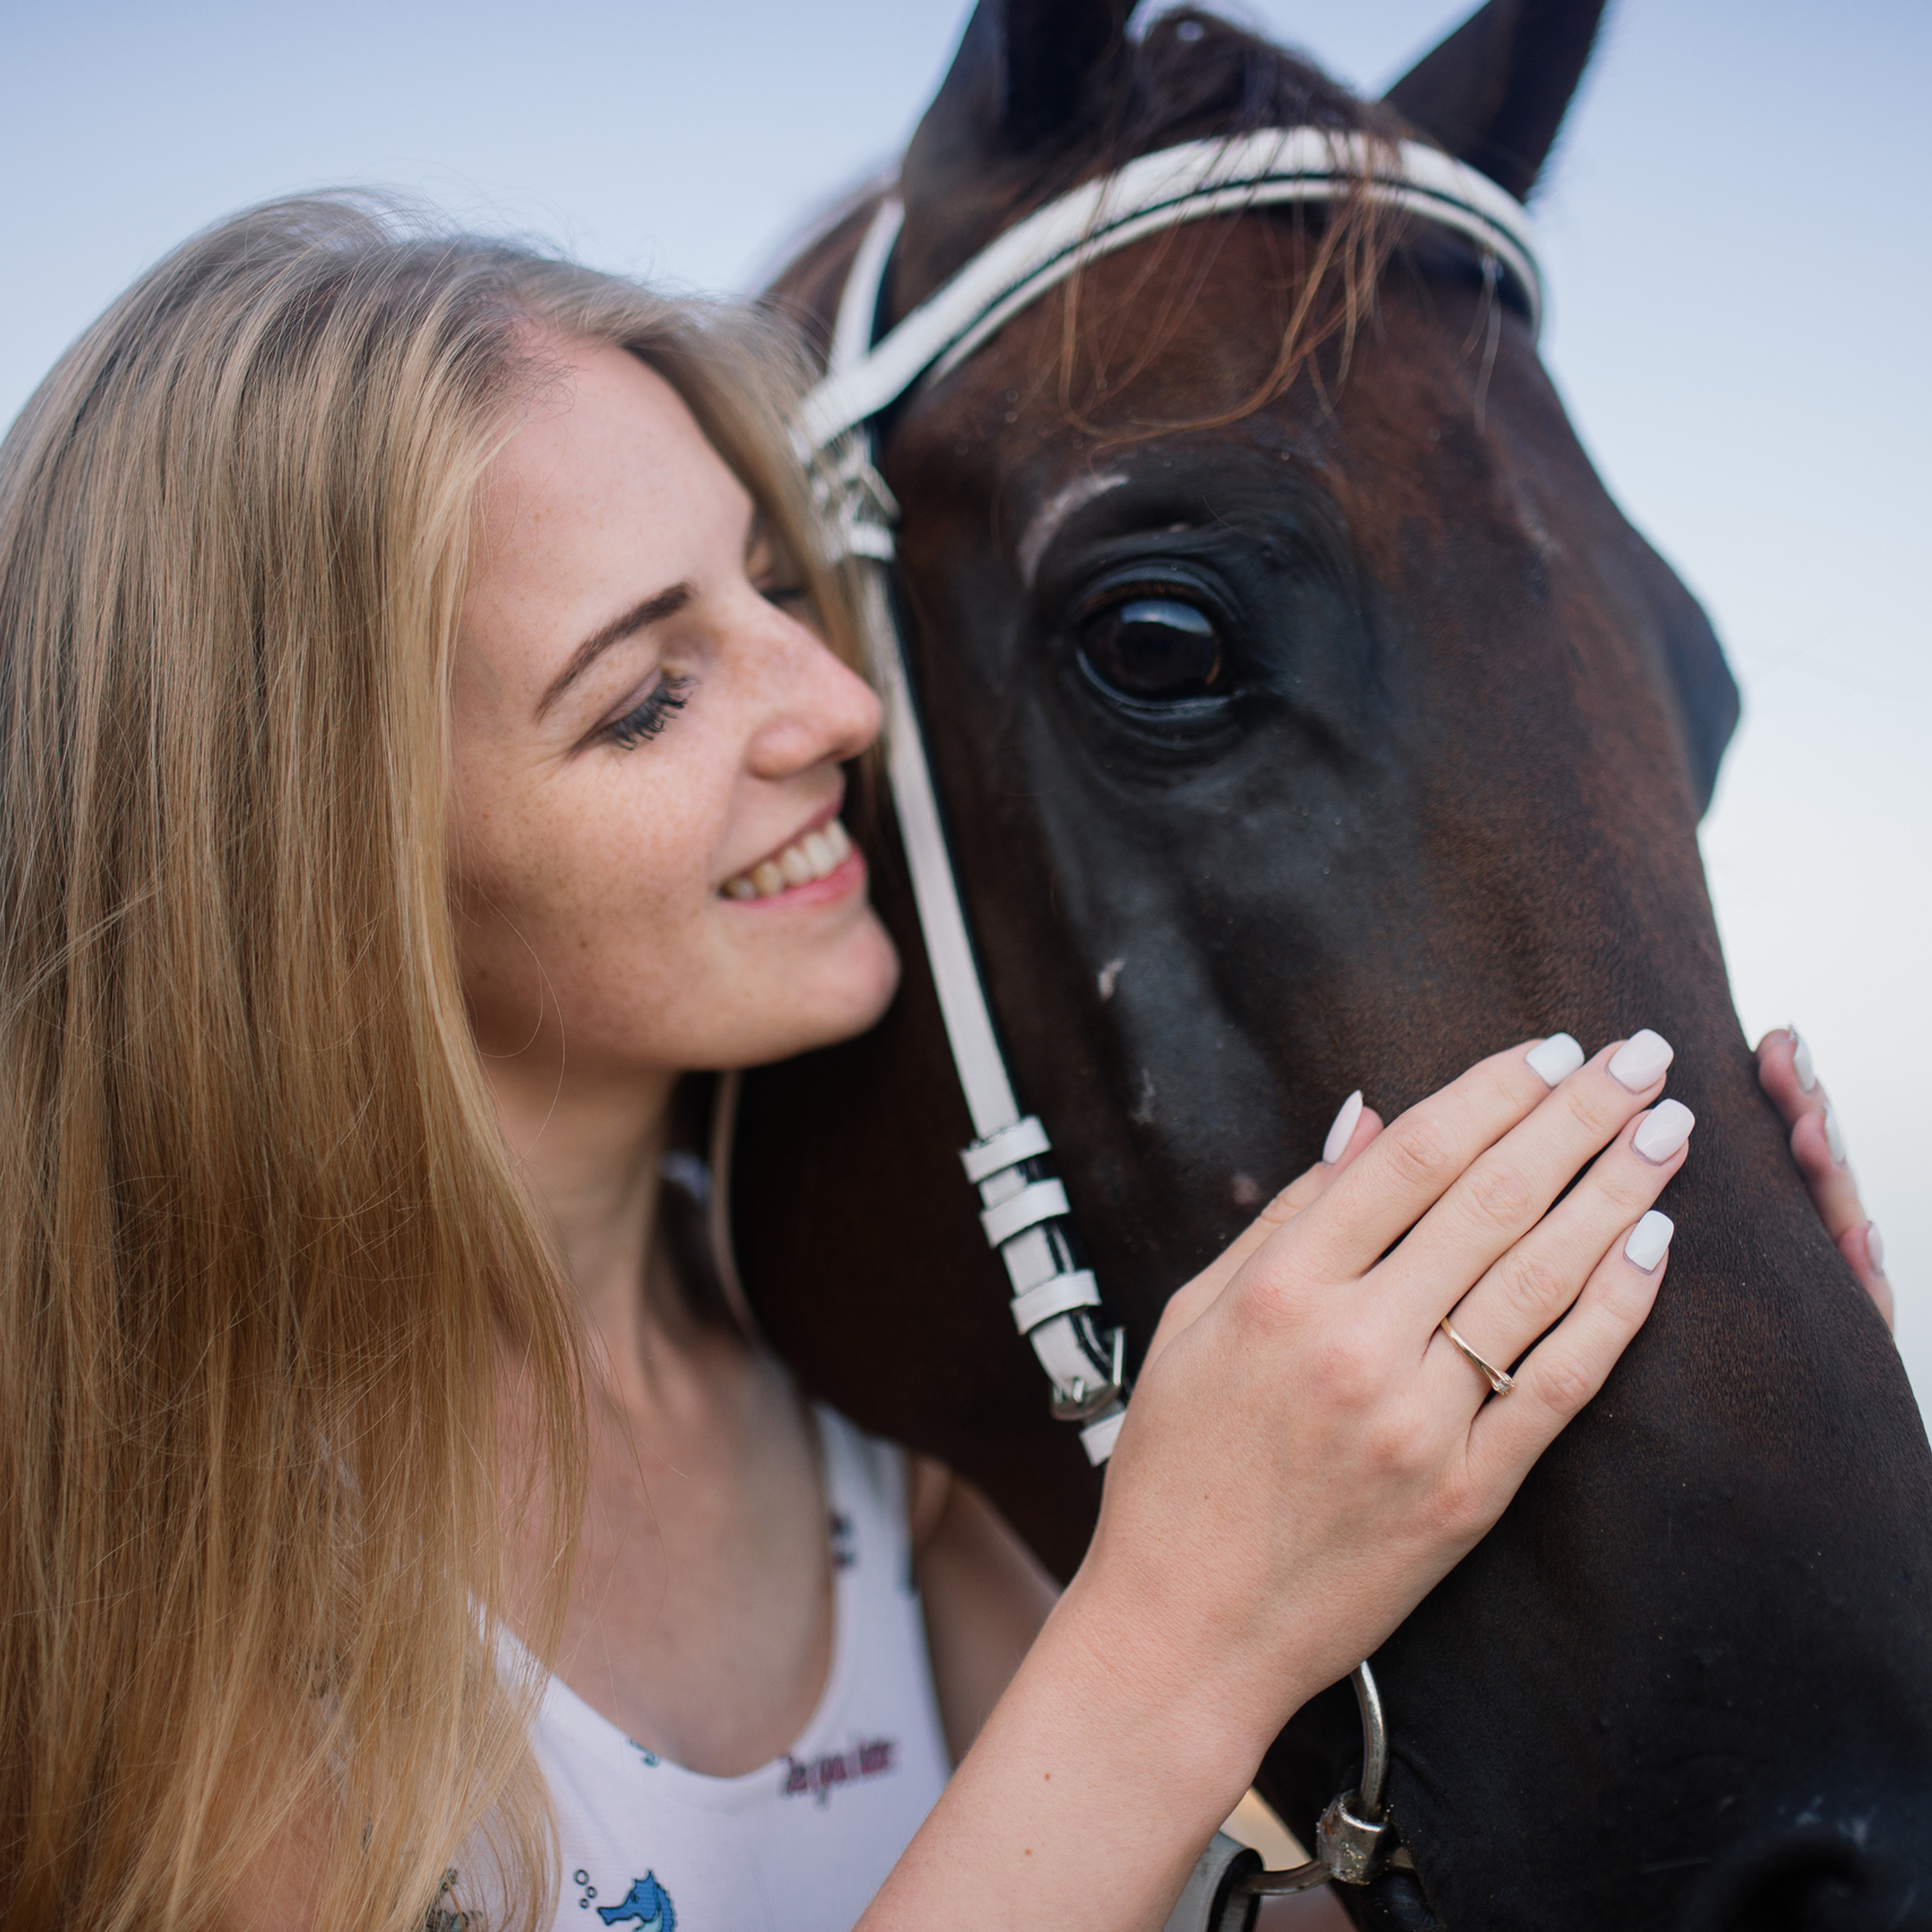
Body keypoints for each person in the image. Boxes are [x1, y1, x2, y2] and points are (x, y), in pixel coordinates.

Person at [0, 196, 1890, 1932]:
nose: (838, 705)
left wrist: (1717, 1401)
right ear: (314, 870)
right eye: (647, 696)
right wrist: (1173, 1638)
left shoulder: (846, 1419)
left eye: (772, 583)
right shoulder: (158, 1555)